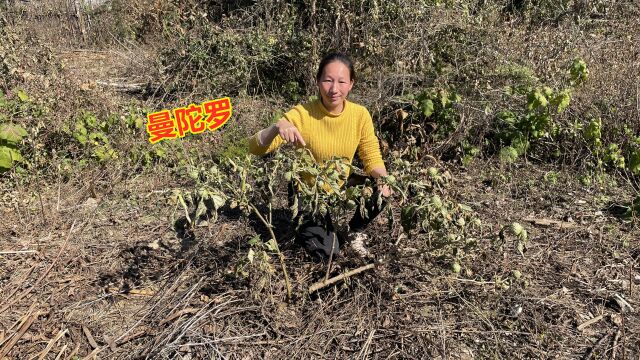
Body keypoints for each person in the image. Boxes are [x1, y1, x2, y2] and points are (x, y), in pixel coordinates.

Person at [248, 52, 391, 260]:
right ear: (317, 81)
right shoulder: (302, 114)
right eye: (328, 80)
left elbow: (372, 158)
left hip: (340, 186)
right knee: (327, 253)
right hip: (308, 192)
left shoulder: (360, 115)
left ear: (351, 84)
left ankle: (353, 232)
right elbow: (255, 148)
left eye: (342, 81)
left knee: (382, 189)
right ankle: (308, 227)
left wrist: (383, 181)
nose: (334, 89)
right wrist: (278, 127)